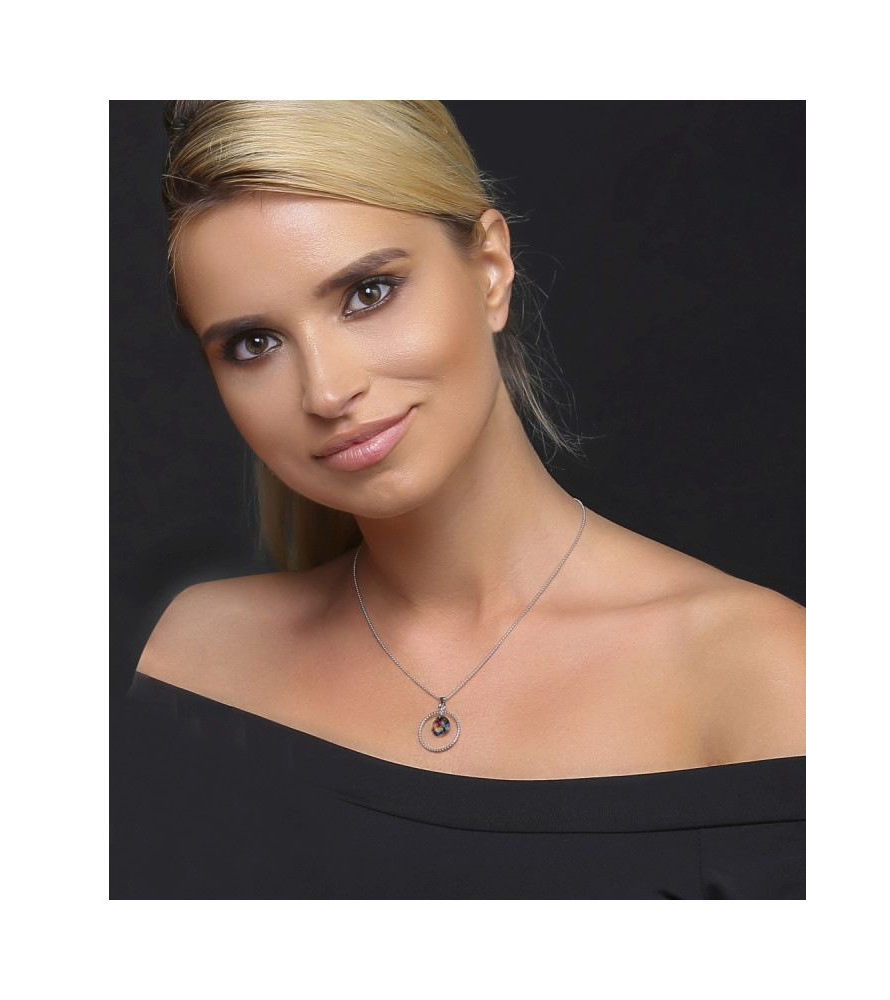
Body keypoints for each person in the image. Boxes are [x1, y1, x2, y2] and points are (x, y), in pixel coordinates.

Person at [111, 100, 805, 899]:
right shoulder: (199, 659)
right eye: (254, 343)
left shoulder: (765, 677)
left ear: (489, 271)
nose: (327, 391)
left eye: (369, 292)